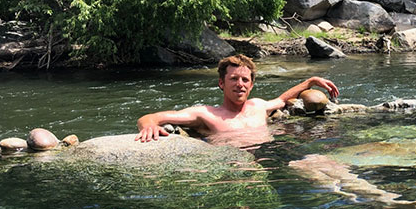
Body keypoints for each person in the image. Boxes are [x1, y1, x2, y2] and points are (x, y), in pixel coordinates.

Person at [134, 54, 339, 144]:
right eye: (233, 79)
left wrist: (311, 81)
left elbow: (282, 100)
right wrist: (148, 125)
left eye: (244, 80)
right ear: (221, 83)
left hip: (267, 158)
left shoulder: (258, 106)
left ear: (251, 85)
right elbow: (151, 117)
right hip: (229, 167)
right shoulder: (205, 114)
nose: (239, 84)